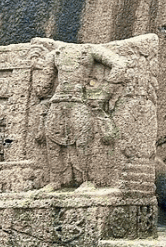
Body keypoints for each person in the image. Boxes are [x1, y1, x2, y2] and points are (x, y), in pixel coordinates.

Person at [32, 39, 126, 190]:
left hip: (79, 100)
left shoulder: (90, 50)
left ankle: (87, 180)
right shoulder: (54, 54)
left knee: (83, 141)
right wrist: (36, 69)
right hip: (57, 101)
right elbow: (42, 89)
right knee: (52, 140)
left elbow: (120, 65)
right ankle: (55, 180)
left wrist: (104, 94)